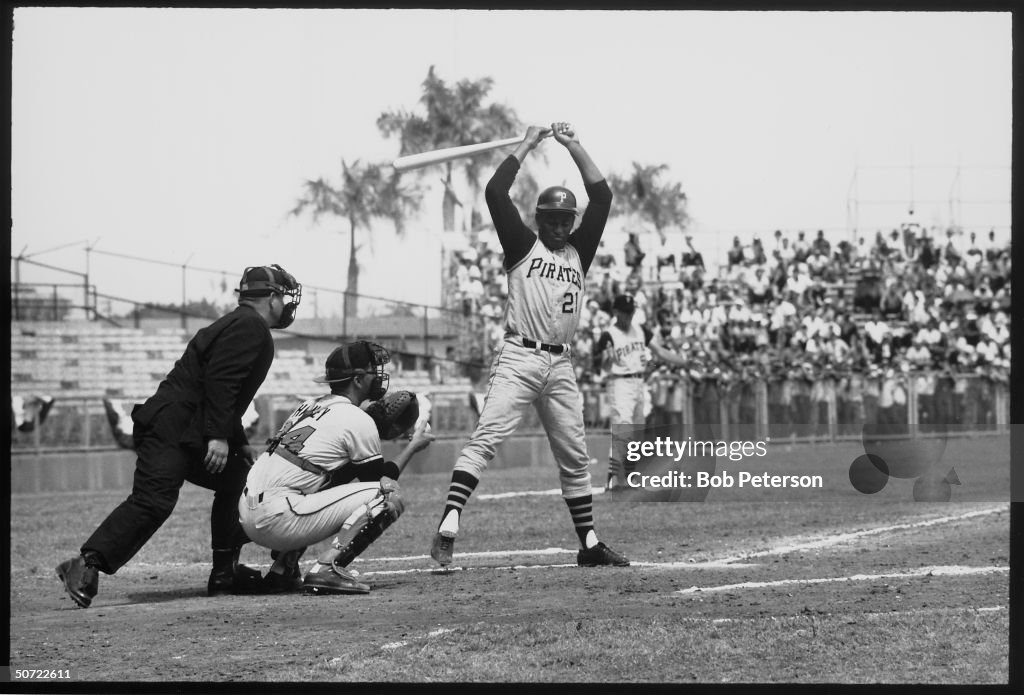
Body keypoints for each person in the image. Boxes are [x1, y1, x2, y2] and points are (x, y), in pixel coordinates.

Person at [429, 122, 629, 568]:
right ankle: (449, 521)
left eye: (565, 220)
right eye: (552, 220)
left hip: (560, 366)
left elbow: (603, 197)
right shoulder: (521, 245)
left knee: (575, 456)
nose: (560, 226)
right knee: (486, 439)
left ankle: (590, 544)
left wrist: (573, 144)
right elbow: (496, 194)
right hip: (520, 357)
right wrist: (525, 144)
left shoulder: (580, 253)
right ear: (539, 221)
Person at [55, 264, 302, 608]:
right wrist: (218, 436)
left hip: (185, 428)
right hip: (175, 429)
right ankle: (84, 565)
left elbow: (224, 394)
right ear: (272, 298)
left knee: (240, 480)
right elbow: (221, 382)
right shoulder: (250, 326)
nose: (287, 305)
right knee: (153, 501)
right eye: (284, 297)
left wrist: (237, 440)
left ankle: (223, 574)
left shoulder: (239, 323)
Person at [239, 341, 435, 595]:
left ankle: (282, 570)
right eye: (372, 371)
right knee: (387, 496)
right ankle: (327, 568)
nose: (378, 376)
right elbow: (378, 483)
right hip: (279, 517)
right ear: (357, 380)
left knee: (315, 486)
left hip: (248, 513)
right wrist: (412, 447)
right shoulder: (357, 419)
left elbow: (338, 476)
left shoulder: (308, 406)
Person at [593, 293, 689, 493]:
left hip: (639, 383)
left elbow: (660, 352)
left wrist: (685, 362)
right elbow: (599, 364)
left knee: (636, 433)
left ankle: (629, 478)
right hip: (620, 383)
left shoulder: (640, 330)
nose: (629, 316)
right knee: (623, 429)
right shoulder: (608, 335)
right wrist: (606, 359)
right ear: (616, 312)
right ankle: (611, 479)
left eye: (631, 312)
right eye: (625, 313)